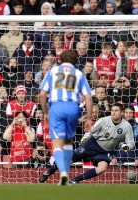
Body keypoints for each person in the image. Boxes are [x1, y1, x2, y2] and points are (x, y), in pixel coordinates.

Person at [40, 103, 135, 184]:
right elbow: (91, 131)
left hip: (106, 150)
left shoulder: (126, 126)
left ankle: (75, 180)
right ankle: (47, 173)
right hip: (92, 144)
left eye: (116, 110)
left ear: (121, 113)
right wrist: (86, 137)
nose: (113, 112)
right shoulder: (103, 120)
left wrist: (127, 147)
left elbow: (131, 143)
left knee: (102, 168)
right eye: (112, 110)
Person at [40, 50, 93, 185]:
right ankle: (66, 175)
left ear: (61, 59)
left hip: (57, 107)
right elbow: (88, 96)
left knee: (57, 143)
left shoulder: (53, 71)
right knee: (68, 142)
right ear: (76, 60)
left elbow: (42, 94)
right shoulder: (79, 73)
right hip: (73, 108)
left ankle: (63, 174)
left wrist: (45, 113)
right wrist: (88, 117)